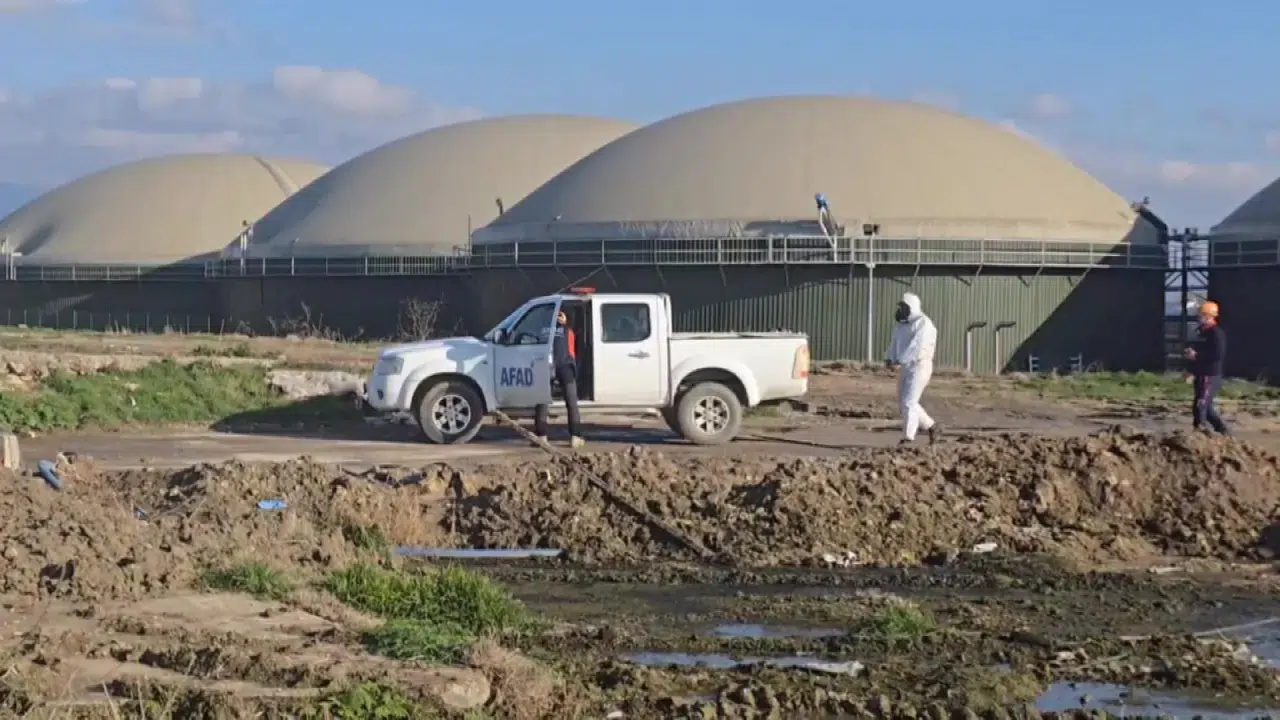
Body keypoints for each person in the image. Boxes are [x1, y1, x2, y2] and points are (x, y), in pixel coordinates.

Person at [884, 292, 940, 445]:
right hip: (906, 366)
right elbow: (894, 343)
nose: (901, 310)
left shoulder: (923, 323)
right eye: (900, 307)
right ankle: (932, 426)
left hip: (920, 365)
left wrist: (900, 360)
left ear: (912, 307)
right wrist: (890, 358)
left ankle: (908, 438)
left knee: (909, 402)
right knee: (905, 404)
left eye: (904, 307)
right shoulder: (901, 326)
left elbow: (917, 346)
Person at [534, 309, 584, 447]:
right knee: (571, 401)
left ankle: (541, 436)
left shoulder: (542, 331)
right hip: (565, 367)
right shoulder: (568, 331)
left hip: (547, 367)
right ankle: (575, 436)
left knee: (542, 401)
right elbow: (573, 350)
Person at [1184, 301, 1230, 435]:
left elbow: (1217, 355)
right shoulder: (1200, 332)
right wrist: (1190, 370)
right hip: (1200, 374)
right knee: (1207, 409)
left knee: (1201, 404)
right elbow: (1195, 352)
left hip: (1209, 375)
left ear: (1209, 316)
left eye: (1201, 315)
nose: (1199, 317)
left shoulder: (1216, 334)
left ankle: (1200, 434)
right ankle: (1225, 433)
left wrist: (1197, 355)